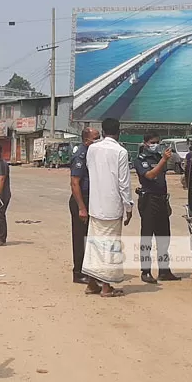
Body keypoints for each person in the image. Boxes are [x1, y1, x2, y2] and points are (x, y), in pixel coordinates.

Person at [82, 118, 133, 297]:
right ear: (119, 132)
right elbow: (124, 183)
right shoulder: (121, 152)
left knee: (95, 245)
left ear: (102, 131)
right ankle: (105, 287)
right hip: (112, 207)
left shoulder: (92, 149)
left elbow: (90, 171)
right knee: (109, 246)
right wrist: (129, 206)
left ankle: (91, 283)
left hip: (95, 205)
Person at [134, 131, 180, 284]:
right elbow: (150, 175)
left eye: (157, 142)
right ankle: (145, 271)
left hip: (161, 200)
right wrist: (163, 160)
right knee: (147, 237)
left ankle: (164, 270)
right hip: (148, 200)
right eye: (153, 142)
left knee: (164, 236)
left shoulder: (158, 157)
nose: (155, 145)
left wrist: (163, 159)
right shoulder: (141, 159)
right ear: (146, 143)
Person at [69, 127, 100, 284]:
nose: (99, 141)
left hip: (90, 199)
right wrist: (82, 207)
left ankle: (88, 271)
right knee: (80, 238)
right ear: (86, 140)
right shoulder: (80, 156)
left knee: (90, 238)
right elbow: (75, 183)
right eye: (96, 138)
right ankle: (78, 272)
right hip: (81, 199)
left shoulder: (91, 154)